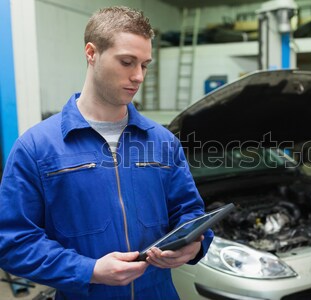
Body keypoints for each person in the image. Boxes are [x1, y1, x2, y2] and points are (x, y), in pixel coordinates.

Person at [0, 6, 213, 300]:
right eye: (127, 62)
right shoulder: (36, 148)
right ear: (91, 53)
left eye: (145, 64)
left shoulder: (163, 142)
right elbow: (13, 243)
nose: (139, 76)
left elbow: (190, 213)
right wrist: (89, 270)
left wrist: (195, 245)